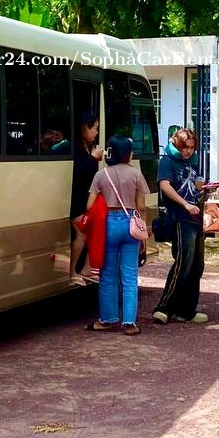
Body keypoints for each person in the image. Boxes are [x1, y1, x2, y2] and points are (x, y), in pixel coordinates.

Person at [83, 136, 150, 335]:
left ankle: (107, 319)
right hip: (131, 224)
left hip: (109, 224)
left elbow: (89, 205)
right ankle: (129, 322)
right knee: (129, 276)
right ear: (128, 154)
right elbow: (141, 207)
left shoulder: (101, 175)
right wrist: (144, 235)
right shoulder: (136, 174)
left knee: (107, 275)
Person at [151, 127, 209, 325]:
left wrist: (203, 187)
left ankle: (186, 310)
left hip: (196, 217)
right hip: (179, 217)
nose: (189, 151)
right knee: (183, 262)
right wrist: (185, 204)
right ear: (177, 144)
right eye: (185, 147)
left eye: (192, 148)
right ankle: (164, 307)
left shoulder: (192, 162)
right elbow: (164, 185)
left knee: (197, 265)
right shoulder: (167, 161)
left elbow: (195, 184)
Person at [69, 110, 103, 282]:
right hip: (76, 200)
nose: (96, 132)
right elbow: (78, 173)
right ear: (84, 127)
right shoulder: (74, 147)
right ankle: (74, 271)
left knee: (91, 231)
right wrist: (92, 158)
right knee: (81, 233)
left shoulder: (87, 146)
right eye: (94, 128)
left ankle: (86, 268)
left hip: (85, 198)